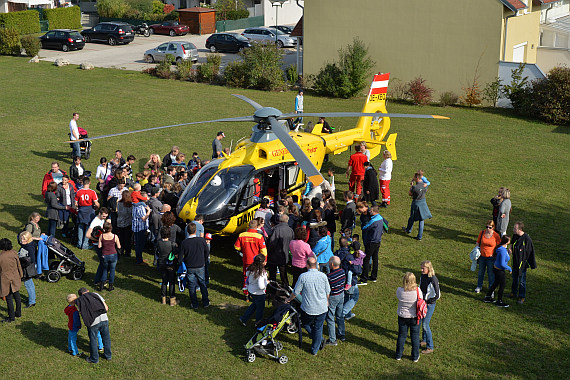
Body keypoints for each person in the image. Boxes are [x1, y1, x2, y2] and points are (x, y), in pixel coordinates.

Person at [285, 257, 330, 356]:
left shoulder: (303, 276)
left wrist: (288, 299)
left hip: (309, 308)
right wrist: (327, 301)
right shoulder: (323, 276)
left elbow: (295, 292)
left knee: (306, 324)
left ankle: (316, 346)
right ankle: (318, 341)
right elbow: (328, 291)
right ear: (317, 265)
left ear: (307, 265)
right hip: (322, 307)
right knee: (318, 327)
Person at [75, 287, 111, 364]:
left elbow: (82, 313)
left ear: (80, 294)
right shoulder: (95, 294)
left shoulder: (80, 301)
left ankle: (94, 359)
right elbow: (106, 308)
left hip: (93, 323)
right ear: (87, 291)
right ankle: (108, 356)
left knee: (93, 340)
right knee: (106, 338)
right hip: (104, 319)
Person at [179, 223, 210, 309]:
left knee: (192, 286)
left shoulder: (185, 243)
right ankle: (205, 302)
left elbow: (181, 257)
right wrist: (204, 260)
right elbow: (207, 252)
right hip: (200, 265)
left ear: (187, 231)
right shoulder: (201, 240)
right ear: (196, 231)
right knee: (202, 283)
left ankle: (195, 304)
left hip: (190, 267)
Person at [234, 220, 267, 297]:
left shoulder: (242, 235)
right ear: (256, 227)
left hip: (246, 259)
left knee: (246, 276)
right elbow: (264, 252)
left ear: (249, 226)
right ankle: (258, 293)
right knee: (259, 275)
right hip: (257, 261)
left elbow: (236, 247)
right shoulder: (259, 237)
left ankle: (246, 294)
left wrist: (244, 249)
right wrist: (264, 259)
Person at [395, 272, 422, 362]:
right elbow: (421, 299)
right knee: (415, 337)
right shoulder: (418, 291)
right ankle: (415, 356)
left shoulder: (400, 290)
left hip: (402, 316)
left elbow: (398, 297)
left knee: (402, 336)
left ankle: (398, 355)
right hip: (414, 317)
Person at [510, 221, 537, 305]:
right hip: (515, 262)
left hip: (522, 264)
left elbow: (530, 252)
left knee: (522, 281)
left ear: (520, 229)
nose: (513, 230)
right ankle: (513, 292)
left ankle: (521, 297)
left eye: (515, 228)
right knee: (514, 278)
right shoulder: (515, 236)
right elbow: (512, 244)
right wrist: (510, 248)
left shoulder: (527, 239)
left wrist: (527, 263)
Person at [239, 254, 268, 325]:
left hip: (251, 291)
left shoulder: (251, 268)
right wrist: (266, 282)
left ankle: (243, 319)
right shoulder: (260, 273)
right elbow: (261, 286)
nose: (266, 262)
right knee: (260, 309)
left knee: (254, 305)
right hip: (259, 293)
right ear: (262, 263)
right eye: (265, 261)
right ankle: (258, 323)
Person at [360, 205, 386, 285]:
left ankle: (364, 279)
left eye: (371, 211)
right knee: (375, 258)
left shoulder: (373, 220)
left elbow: (364, 228)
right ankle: (374, 276)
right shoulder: (380, 218)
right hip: (378, 241)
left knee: (366, 259)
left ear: (374, 211)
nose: (369, 212)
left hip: (371, 242)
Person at [484, 236, 512, 307]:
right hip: (499, 270)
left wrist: (508, 253)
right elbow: (502, 263)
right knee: (502, 285)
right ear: (507, 242)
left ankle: (488, 297)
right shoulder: (502, 250)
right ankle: (499, 300)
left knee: (496, 283)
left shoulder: (501, 249)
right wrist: (509, 268)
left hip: (496, 269)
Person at [419, 260, 440, 355]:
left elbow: (437, 295)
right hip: (423, 302)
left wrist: (429, 301)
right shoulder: (423, 277)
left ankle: (430, 346)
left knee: (425, 324)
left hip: (430, 304)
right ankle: (424, 339)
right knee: (422, 320)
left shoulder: (433, 279)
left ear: (428, 268)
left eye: (423, 268)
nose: (421, 270)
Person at [403, 173, 432, 241]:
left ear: (417, 178)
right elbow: (426, 190)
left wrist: (411, 186)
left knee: (412, 217)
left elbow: (410, 194)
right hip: (423, 202)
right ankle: (419, 236)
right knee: (421, 220)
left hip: (416, 203)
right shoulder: (425, 185)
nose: (413, 178)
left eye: (414, 177)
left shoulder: (415, 187)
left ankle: (408, 230)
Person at [267, 214, 294, 287]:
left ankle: (272, 288)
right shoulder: (290, 230)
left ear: (279, 221)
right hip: (284, 255)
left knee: (272, 274)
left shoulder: (276, 229)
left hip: (274, 255)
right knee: (283, 273)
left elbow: (272, 243)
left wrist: (269, 252)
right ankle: (286, 287)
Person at [0, 238, 23, 323]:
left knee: (9, 297)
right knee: (17, 295)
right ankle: (18, 312)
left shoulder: (1, 257)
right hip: (15, 276)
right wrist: (21, 275)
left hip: (5, 279)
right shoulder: (14, 253)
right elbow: (19, 265)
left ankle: (11, 317)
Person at [474, 220, 501, 293]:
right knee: (480, 272)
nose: (488, 229)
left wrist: (495, 254)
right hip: (482, 256)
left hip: (491, 258)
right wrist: (477, 249)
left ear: (493, 228)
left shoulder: (496, 235)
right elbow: (478, 242)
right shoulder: (482, 233)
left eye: (490, 227)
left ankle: (491, 289)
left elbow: (499, 246)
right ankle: (479, 286)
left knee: (491, 274)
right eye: (487, 227)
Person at [325, 256, 346, 346]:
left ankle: (333, 339)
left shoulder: (329, 276)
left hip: (333, 297)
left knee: (330, 317)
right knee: (340, 315)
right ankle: (342, 334)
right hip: (341, 295)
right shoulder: (342, 272)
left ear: (332, 264)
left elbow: (327, 289)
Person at [75, 178, 100, 250]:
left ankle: (79, 243)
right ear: (89, 183)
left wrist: (77, 208)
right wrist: (97, 208)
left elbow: (75, 203)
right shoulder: (92, 192)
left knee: (80, 226)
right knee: (89, 227)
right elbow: (96, 203)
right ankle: (85, 244)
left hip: (81, 210)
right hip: (89, 210)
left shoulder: (79, 192)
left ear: (82, 183)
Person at [157, 226, 179, 306]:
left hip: (162, 264)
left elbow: (157, 252)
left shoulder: (158, 243)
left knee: (164, 281)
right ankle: (172, 300)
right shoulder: (172, 244)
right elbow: (176, 255)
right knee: (172, 281)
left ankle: (163, 298)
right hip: (171, 265)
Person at [97, 222, 120, 291]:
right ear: (111, 228)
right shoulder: (115, 236)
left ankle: (102, 285)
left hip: (105, 255)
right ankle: (110, 286)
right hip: (113, 254)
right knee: (112, 270)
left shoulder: (102, 236)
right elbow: (119, 246)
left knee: (105, 270)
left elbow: (99, 246)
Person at [18, 232, 38, 308]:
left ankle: (32, 301)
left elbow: (31, 259)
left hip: (27, 268)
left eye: (24, 239)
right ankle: (32, 298)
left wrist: (22, 261)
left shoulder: (29, 247)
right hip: (27, 267)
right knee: (30, 284)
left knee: (28, 284)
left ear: (28, 239)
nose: (21, 240)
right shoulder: (27, 245)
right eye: (21, 238)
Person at [132, 200, 151, 265]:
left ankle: (139, 258)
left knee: (138, 244)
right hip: (140, 228)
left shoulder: (135, 205)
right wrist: (148, 211)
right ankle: (139, 260)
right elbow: (144, 218)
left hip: (137, 228)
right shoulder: (140, 207)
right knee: (139, 244)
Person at [116, 191, 132, 257]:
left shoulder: (119, 203)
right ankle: (127, 252)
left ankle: (121, 250)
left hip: (120, 222)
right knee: (127, 238)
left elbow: (118, 211)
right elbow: (130, 213)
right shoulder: (129, 204)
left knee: (121, 238)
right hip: (127, 222)